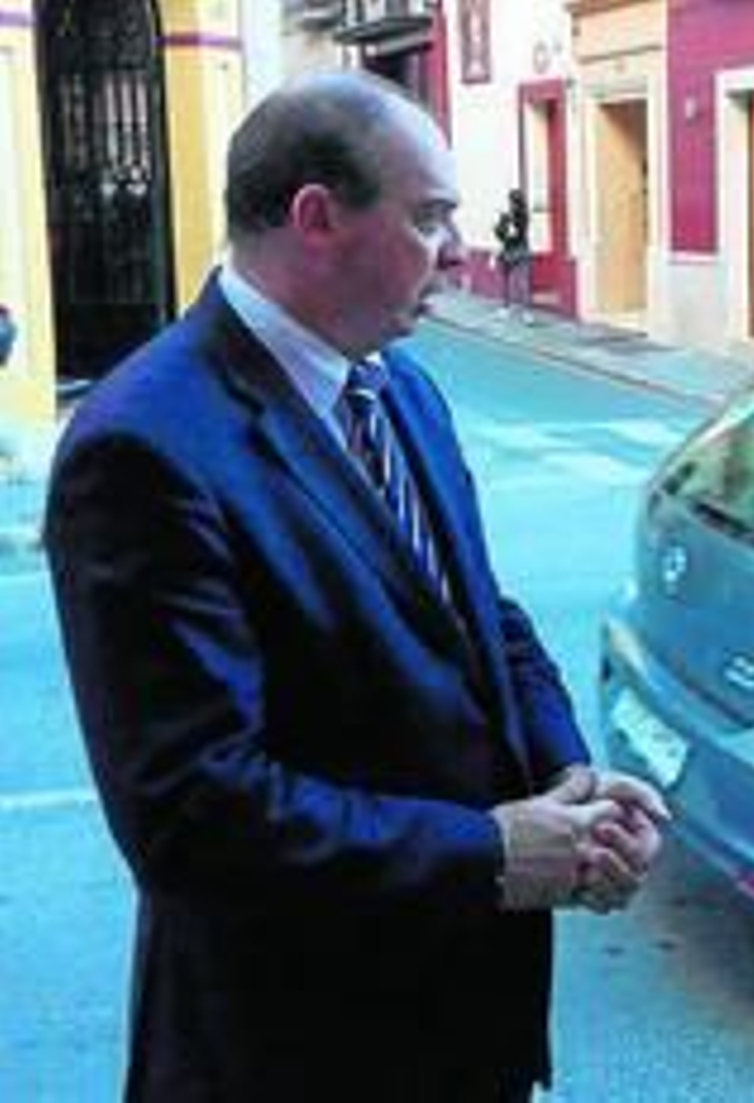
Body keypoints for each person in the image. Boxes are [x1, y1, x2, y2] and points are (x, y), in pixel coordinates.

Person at [44, 73, 667, 1102]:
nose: (459, 251)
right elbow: (192, 815)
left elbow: (483, 617)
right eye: (429, 218)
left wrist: (569, 781)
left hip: (464, 1028)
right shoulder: (144, 444)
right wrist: (492, 851)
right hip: (293, 1051)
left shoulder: (400, 385)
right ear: (318, 218)